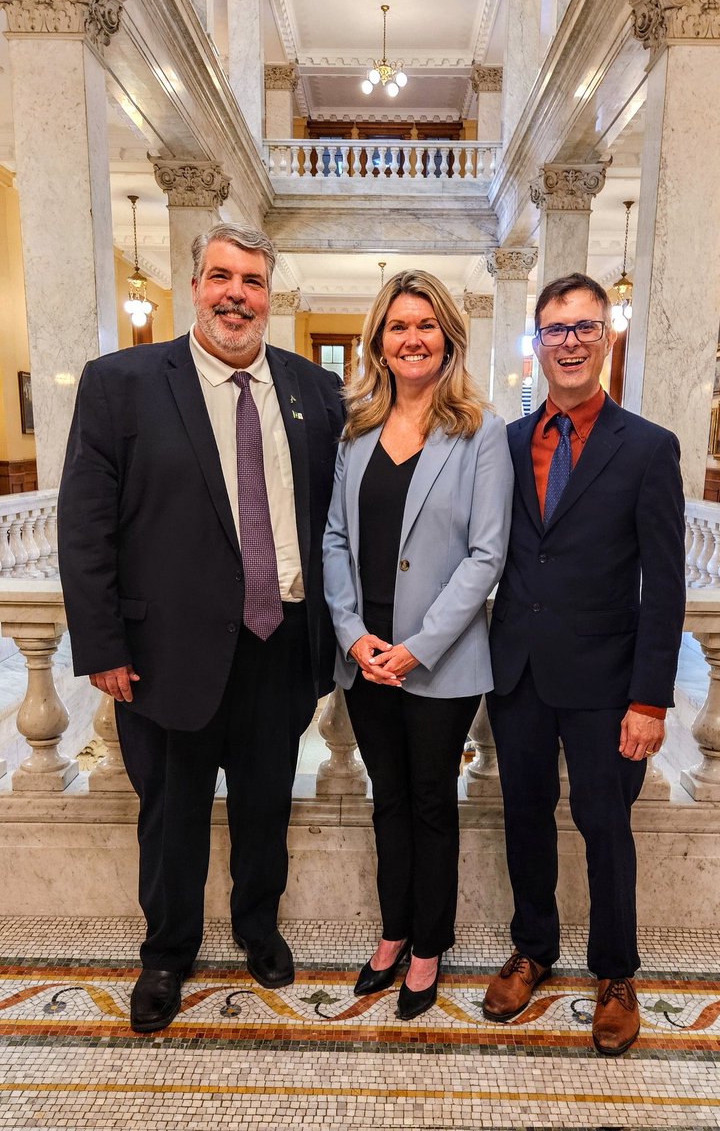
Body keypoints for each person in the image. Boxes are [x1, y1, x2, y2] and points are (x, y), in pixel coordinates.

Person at [57, 223, 344, 1033]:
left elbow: (335, 514)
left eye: (252, 281)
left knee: (266, 804)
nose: (236, 295)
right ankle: (167, 953)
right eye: (221, 276)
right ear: (194, 286)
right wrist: (102, 643)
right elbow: (85, 525)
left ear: (269, 294)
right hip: (164, 652)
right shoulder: (123, 383)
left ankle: (259, 927)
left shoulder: (312, 390)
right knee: (172, 811)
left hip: (280, 642)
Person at [483, 272, 685, 1055]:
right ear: (536, 344)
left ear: (606, 338)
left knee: (604, 825)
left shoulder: (647, 448)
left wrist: (651, 699)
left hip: (607, 682)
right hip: (518, 673)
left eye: (584, 328)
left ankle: (615, 972)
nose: (569, 342)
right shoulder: (504, 442)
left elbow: (663, 587)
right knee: (523, 816)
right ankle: (533, 948)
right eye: (555, 329)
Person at [323, 270, 513, 1020]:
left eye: (426, 325)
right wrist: (354, 635)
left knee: (432, 801)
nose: (412, 339)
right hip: (365, 655)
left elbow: (487, 555)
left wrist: (418, 647)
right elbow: (335, 538)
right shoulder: (355, 430)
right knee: (387, 798)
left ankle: (429, 944)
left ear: (448, 339)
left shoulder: (480, 431)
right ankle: (393, 931)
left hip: (440, 661)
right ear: (379, 339)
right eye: (399, 326)